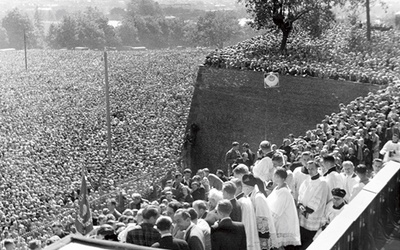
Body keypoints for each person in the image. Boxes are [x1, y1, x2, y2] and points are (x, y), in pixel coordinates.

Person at [266, 168, 301, 250]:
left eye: (277, 177)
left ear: (283, 179)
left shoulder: (284, 192)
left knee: (279, 246)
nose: (275, 178)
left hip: (282, 222)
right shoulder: (276, 188)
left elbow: (278, 210)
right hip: (277, 220)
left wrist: (270, 223)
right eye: (275, 176)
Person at [297, 161, 329, 250]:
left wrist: (307, 209)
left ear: (317, 169)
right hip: (303, 215)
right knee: (302, 237)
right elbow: (301, 193)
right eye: (308, 169)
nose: (310, 171)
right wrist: (300, 204)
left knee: (310, 241)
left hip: (313, 215)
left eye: (312, 169)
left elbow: (318, 198)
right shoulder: (307, 179)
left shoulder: (322, 182)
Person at [243, 174, 278, 250]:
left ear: (248, 187)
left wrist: (263, 242)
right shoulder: (252, 195)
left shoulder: (258, 197)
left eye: (243, 186)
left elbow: (262, 219)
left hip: (264, 235)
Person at [231, 178, 261, 250]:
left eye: (232, 187)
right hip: (250, 234)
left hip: (245, 234)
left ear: (238, 188)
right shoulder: (246, 198)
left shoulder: (240, 202)